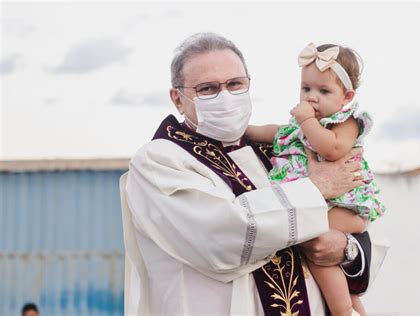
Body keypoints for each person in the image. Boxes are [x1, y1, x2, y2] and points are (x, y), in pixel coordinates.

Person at [120, 32, 388, 315]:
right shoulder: (159, 161)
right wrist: (314, 188)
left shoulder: (280, 151)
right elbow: (223, 235)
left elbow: (363, 223)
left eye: (235, 84)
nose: (225, 96)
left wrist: (346, 249)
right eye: (208, 89)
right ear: (178, 98)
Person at [245, 42, 386, 316]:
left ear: (346, 96)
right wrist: (245, 131)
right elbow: (274, 132)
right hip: (326, 205)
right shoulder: (302, 125)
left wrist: (307, 123)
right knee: (319, 252)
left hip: (344, 208)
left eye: (323, 91)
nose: (312, 97)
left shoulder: (345, 122)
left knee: (318, 248)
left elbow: (332, 148)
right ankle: (354, 308)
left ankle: (343, 311)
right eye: (306, 88)